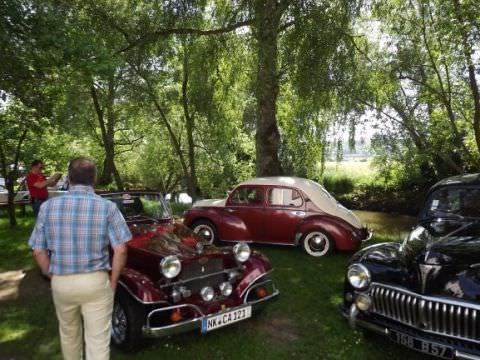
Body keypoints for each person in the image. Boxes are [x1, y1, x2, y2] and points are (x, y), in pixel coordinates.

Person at [28, 157, 131, 360]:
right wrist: (113, 281)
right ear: (93, 179)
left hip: (62, 282)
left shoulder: (48, 207)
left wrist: (51, 275)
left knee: (69, 336)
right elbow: (121, 250)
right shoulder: (107, 207)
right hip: (95, 282)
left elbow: (38, 251)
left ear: (69, 179)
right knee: (98, 342)